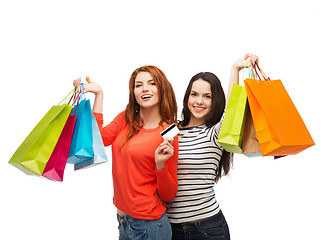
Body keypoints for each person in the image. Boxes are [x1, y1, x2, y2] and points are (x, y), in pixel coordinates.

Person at [73, 65, 179, 240]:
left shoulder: (168, 132)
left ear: (162, 88)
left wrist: (160, 165)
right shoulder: (126, 118)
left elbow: (169, 194)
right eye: (138, 85)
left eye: (152, 83)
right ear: (134, 92)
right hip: (123, 222)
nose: (144, 88)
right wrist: (99, 95)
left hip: (150, 226)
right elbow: (98, 141)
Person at [166, 53, 259, 240]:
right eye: (194, 94)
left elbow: (233, 108)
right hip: (170, 229)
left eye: (207, 96)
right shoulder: (171, 128)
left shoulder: (215, 132)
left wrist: (236, 69)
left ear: (215, 100)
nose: (198, 101)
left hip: (207, 228)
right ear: (187, 97)